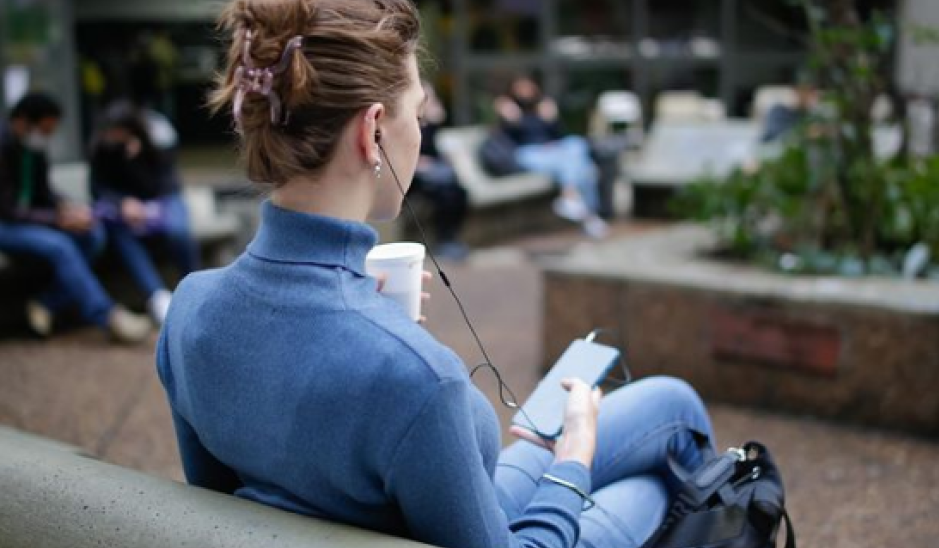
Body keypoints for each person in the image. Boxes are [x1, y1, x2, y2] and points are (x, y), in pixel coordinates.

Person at [157, 2, 714, 548]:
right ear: (372, 130)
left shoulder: (190, 308)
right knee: (662, 486)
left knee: (671, 401)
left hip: (437, 507)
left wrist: (375, 324)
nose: (418, 134)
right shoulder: (419, 377)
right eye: (417, 115)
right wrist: (574, 458)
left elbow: (224, 509)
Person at [0, 93, 151, 343]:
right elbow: (8, 209)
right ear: (23, 122)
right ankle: (107, 316)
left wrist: (67, 207)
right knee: (60, 246)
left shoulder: (32, 147)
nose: (46, 137)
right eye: (44, 130)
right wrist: (57, 219)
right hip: (6, 224)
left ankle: (46, 302)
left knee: (93, 234)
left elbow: (43, 192)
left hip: (31, 220)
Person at [89, 102, 199, 325]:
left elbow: (163, 184)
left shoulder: (154, 140)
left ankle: (195, 288)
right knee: (121, 234)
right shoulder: (103, 148)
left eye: (117, 131)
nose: (112, 136)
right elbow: (98, 189)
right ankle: (158, 297)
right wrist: (123, 203)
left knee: (178, 230)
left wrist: (136, 161)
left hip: (163, 201)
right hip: (126, 213)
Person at [494, 75, 609, 239]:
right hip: (526, 153)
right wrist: (511, 119)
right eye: (520, 88)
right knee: (586, 169)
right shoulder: (508, 108)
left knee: (577, 145)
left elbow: (558, 134)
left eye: (527, 87)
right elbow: (507, 140)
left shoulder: (543, 106)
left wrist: (552, 119)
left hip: (552, 151)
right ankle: (589, 217)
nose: (524, 91)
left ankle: (570, 198)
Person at [412, 82, 469, 261]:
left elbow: (432, 147)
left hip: (432, 170)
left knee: (459, 191)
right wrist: (419, 163)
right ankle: (444, 240)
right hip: (415, 175)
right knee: (443, 191)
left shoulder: (431, 121)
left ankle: (451, 238)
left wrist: (435, 121)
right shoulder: (410, 121)